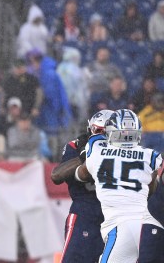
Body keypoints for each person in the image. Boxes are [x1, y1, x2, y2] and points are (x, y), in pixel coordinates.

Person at [75, 109, 163, 263]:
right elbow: (152, 188)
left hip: (122, 226)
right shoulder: (150, 155)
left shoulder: (97, 151)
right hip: (149, 225)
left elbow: (82, 174)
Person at [51, 109, 114, 263]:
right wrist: (86, 155)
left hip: (114, 213)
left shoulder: (124, 150)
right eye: (97, 131)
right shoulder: (78, 146)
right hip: (85, 211)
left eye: (106, 132)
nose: (100, 135)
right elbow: (56, 176)